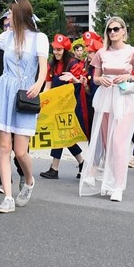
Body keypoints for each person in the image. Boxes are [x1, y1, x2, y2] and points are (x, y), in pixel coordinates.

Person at [0, 0, 49, 214]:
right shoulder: (6, 37)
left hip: (25, 94)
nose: (7, 17)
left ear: (20, 15)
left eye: (10, 13)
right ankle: (8, 197)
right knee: (4, 147)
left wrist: (38, 84)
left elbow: (43, 67)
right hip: (4, 92)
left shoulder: (39, 38)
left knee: (20, 151)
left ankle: (29, 180)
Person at [79, 17, 134, 203]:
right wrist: (101, 80)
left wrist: (128, 77)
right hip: (106, 97)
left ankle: (118, 187)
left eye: (116, 29)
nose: (112, 32)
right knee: (108, 143)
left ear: (123, 30)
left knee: (118, 143)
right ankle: (110, 181)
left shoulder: (132, 52)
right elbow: (95, 77)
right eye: (109, 29)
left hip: (124, 98)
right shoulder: (101, 52)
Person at [42, 34, 84, 179]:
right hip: (56, 105)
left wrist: (73, 79)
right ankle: (81, 163)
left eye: (59, 50)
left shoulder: (73, 64)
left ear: (65, 50)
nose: (56, 52)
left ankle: (55, 168)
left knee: (60, 135)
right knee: (63, 136)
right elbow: (47, 86)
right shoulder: (51, 64)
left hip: (69, 106)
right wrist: (41, 101)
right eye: (54, 49)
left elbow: (79, 85)